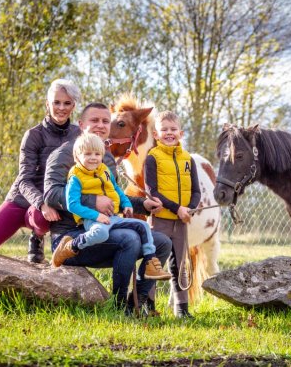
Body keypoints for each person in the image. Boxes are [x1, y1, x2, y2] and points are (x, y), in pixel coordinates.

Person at [43, 102, 172, 314]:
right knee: (129, 239)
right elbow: (51, 194)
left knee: (161, 243)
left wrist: (143, 205)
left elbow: (114, 198)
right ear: (81, 124)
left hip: (107, 228)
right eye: (95, 120)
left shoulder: (106, 158)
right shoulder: (63, 154)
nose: (102, 125)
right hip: (71, 238)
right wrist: (93, 201)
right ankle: (118, 307)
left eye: (106, 121)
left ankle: (135, 303)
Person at [0, 79, 81, 263]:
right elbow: (24, 180)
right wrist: (41, 203)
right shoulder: (34, 135)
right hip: (21, 199)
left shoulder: (78, 135)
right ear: (48, 104)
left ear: (74, 106)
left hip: (51, 205)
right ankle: (37, 229)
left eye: (67, 103)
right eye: (56, 102)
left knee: (41, 218)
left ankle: (37, 236)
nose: (61, 107)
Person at [51, 131, 172, 281]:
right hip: (92, 220)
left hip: (112, 218)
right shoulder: (76, 177)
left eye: (97, 154)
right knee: (102, 234)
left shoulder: (105, 171)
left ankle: (150, 264)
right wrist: (97, 215)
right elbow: (72, 205)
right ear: (77, 157)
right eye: (87, 154)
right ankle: (71, 246)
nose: (93, 158)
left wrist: (127, 204)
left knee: (143, 226)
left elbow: (117, 190)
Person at [144, 110, 201, 318]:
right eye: (164, 130)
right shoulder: (153, 158)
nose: (169, 133)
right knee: (155, 263)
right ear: (156, 135)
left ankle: (182, 309)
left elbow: (196, 191)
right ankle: (147, 306)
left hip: (181, 222)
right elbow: (152, 191)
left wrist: (190, 209)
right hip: (160, 221)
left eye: (173, 129)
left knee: (180, 265)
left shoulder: (188, 159)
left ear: (181, 133)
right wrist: (177, 208)